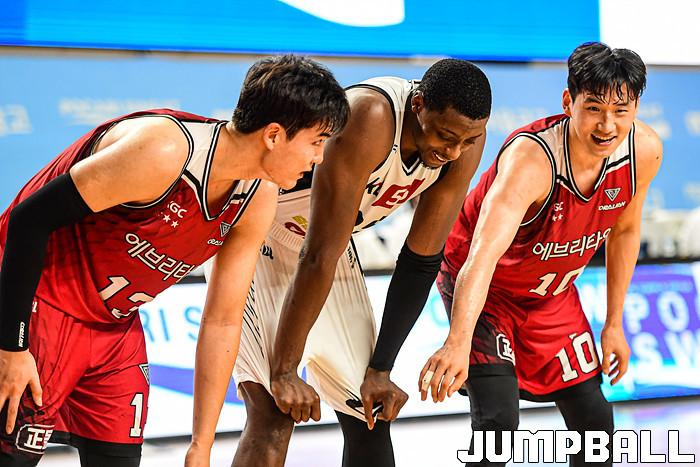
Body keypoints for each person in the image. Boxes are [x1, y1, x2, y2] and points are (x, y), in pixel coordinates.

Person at [0, 55, 349, 467]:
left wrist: (202, 445)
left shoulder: (257, 195)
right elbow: (27, 220)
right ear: (274, 135)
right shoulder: (165, 151)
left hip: (113, 324)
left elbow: (223, 320)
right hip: (40, 300)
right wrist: (11, 345)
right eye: (317, 141)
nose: (319, 158)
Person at [201, 59, 493, 467]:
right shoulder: (370, 117)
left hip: (327, 250)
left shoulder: (462, 137)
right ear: (418, 105)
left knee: (369, 412)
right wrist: (285, 370)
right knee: (273, 413)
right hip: (258, 232)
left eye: (468, 140)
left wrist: (381, 368)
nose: (454, 152)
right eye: (445, 137)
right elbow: (318, 254)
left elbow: (421, 261)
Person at [420, 42, 662, 467]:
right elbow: (481, 256)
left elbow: (624, 230)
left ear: (636, 109)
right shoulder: (532, 161)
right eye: (594, 108)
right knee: (498, 423)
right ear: (569, 102)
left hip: (550, 295)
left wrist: (614, 324)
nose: (607, 125)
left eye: (620, 111)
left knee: (595, 422)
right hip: (487, 288)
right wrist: (458, 342)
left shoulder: (643, 151)